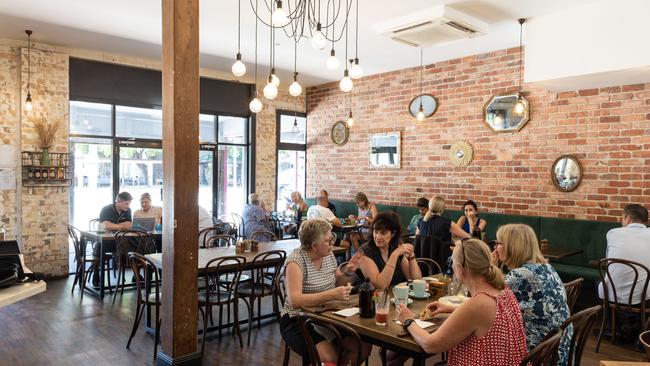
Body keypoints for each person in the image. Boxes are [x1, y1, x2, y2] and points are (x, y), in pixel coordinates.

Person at [397, 239, 528, 366]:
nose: (452, 265)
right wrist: (451, 309)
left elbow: (430, 345)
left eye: (452, 261)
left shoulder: (478, 304)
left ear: (460, 268)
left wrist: (408, 320)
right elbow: (486, 318)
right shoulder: (504, 290)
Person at [280, 219, 370, 365]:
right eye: (328, 241)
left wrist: (348, 272)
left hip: (327, 315)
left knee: (362, 346)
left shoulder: (328, 255)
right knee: (330, 358)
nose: (332, 243)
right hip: (298, 319)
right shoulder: (296, 261)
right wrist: (332, 294)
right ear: (314, 246)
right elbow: (294, 300)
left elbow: (337, 282)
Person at [492, 224, 572, 366]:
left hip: (541, 355)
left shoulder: (520, 275)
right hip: (562, 347)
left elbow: (487, 304)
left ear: (512, 246)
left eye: (498, 243)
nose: (495, 247)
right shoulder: (546, 267)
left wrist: (492, 268)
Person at [597, 204, 650, 343]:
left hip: (612, 294)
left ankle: (616, 329)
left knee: (603, 282)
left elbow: (609, 260)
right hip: (642, 298)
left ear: (627, 218)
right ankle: (642, 335)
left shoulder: (613, 233)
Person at [358, 211, 422, 289]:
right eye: (376, 231)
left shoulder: (394, 246)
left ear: (393, 234)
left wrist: (411, 257)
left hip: (397, 296)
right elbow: (381, 286)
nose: (377, 237)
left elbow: (416, 280)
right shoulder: (365, 251)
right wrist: (394, 255)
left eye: (383, 233)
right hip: (371, 298)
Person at [416, 196, 470, 268]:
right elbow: (467, 237)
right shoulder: (447, 223)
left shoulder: (421, 222)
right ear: (443, 208)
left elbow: (417, 240)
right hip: (442, 261)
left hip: (423, 261)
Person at [93, 192, 133, 287]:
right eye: (126, 203)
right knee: (99, 246)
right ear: (118, 202)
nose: (128, 206)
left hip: (120, 241)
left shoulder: (128, 210)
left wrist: (112, 226)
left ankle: (122, 273)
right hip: (106, 241)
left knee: (130, 245)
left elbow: (129, 226)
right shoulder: (106, 209)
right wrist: (121, 226)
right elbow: (105, 225)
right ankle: (96, 272)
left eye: (129, 203)